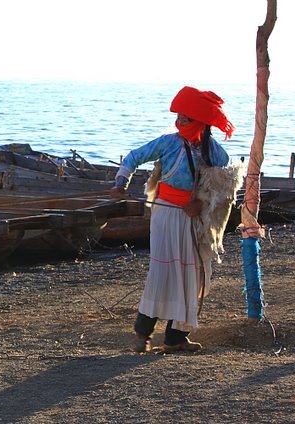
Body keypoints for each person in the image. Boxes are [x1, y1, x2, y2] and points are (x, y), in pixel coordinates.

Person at [110, 86, 239, 353]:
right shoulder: (168, 142)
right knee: (163, 271)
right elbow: (135, 157)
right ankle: (142, 334)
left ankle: (175, 338)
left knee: (192, 273)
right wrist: (121, 180)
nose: (179, 122)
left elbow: (224, 184)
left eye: (186, 118)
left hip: (192, 220)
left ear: (200, 122)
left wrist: (201, 202)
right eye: (178, 116)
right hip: (166, 214)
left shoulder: (213, 151)